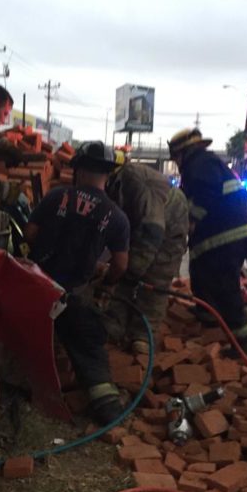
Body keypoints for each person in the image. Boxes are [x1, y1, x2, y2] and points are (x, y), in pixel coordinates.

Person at [24, 141, 130, 425]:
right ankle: (108, 411)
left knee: (21, 344)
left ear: (78, 169)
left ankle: (22, 396)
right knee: (88, 349)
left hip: (34, 289)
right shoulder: (117, 217)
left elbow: (31, 234)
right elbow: (120, 265)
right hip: (73, 299)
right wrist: (106, 282)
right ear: (108, 174)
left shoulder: (55, 197)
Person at [167, 128, 247, 354]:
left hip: (227, 237)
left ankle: (246, 342)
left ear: (184, 152)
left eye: (176, 158)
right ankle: (207, 320)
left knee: (224, 286)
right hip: (220, 236)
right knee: (199, 272)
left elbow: (204, 195)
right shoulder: (203, 164)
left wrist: (190, 220)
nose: (177, 163)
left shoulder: (200, 164)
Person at [103, 150, 191, 354]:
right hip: (145, 223)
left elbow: (152, 229)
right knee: (125, 275)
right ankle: (114, 329)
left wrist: (132, 269)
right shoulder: (114, 183)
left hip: (170, 223)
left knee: (154, 282)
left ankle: (142, 338)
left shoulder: (133, 180)